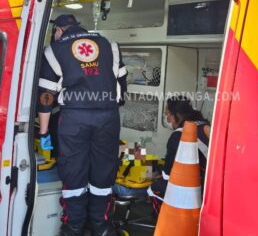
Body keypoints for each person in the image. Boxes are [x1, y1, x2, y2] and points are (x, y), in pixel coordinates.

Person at [37, 14, 127, 236]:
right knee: (103, 170)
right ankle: (101, 224)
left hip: (74, 119)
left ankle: (74, 226)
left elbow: (46, 97)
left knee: (74, 171)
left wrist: (44, 132)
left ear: (58, 30)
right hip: (108, 116)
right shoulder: (109, 45)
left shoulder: (54, 50)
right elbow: (122, 87)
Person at [147, 96, 210, 214]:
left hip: (192, 189)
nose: (167, 119)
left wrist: (150, 170)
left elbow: (167, 175)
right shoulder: (204, 125)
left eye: (168, 114)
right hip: (208, 186)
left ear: (178, 115)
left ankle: (166, 224)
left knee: (154, 188)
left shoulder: (178, 136)